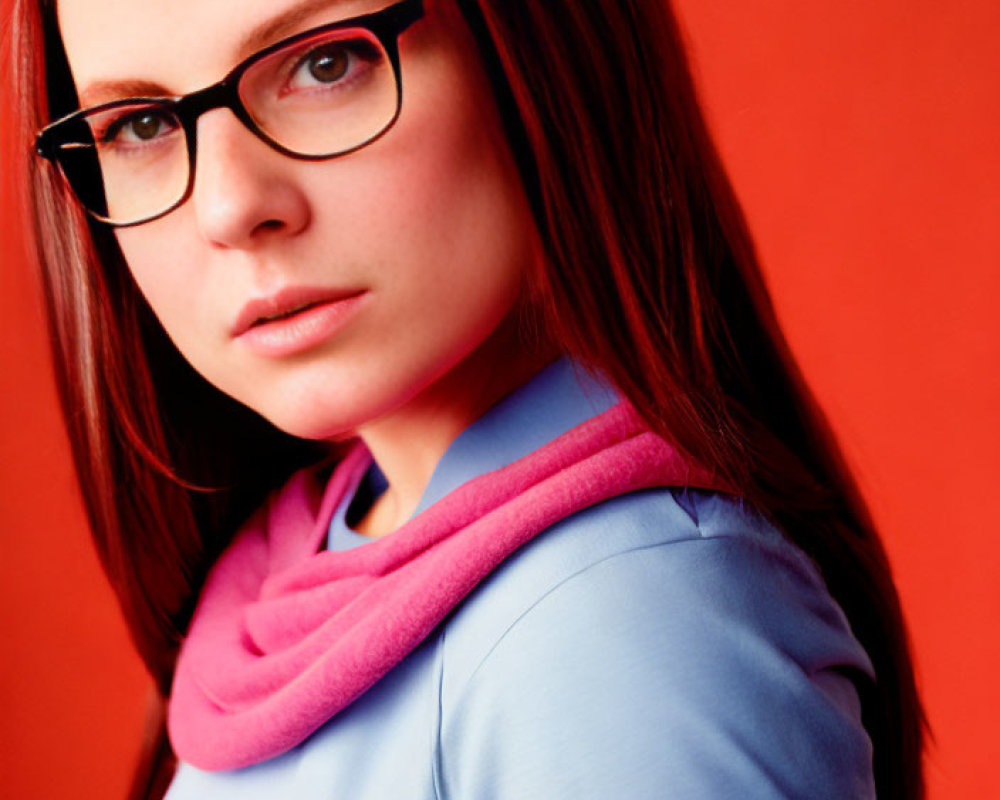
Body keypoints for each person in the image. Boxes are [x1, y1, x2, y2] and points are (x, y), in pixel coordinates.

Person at [10, 0, 926, 797]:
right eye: (136, 126)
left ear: (537, 50)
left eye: (328, 63)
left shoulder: (622, 632)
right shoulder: (308, 550)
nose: (227, 206)